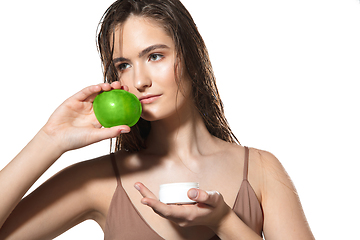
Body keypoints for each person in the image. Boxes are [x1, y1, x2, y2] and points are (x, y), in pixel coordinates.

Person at [0, 0, 315, 239]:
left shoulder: (261, 170)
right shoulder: (96, 182)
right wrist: (50, 140)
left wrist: (224, 221)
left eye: (155, 56)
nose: (139, 81)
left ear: (191, 57)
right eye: (123, 64)